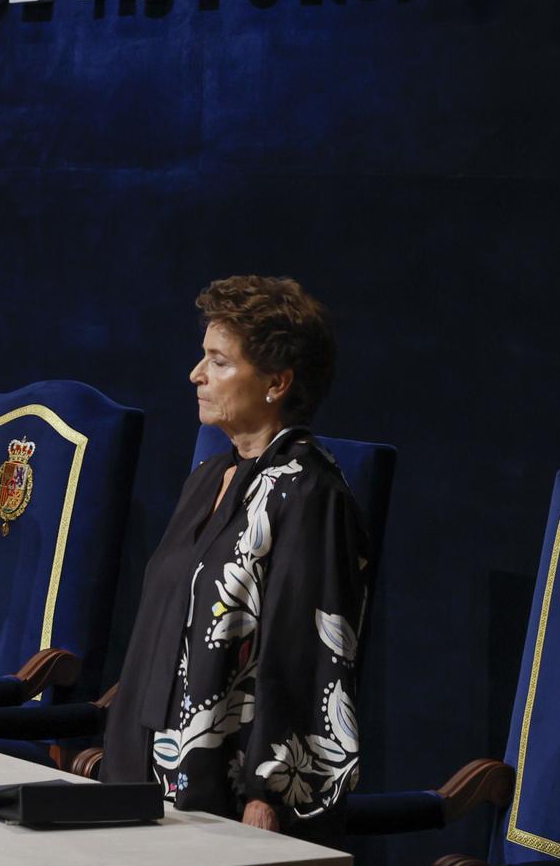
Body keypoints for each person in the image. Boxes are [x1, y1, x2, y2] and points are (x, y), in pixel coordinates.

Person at [101, 276, 369, 847]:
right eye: (203, 358)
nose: (195, 375)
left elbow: (306, 655)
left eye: (219, 362)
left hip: (227, 788)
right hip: (144, 765)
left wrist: (265, 797)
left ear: (277, 381)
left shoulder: (309, 493)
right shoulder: (207, 478)